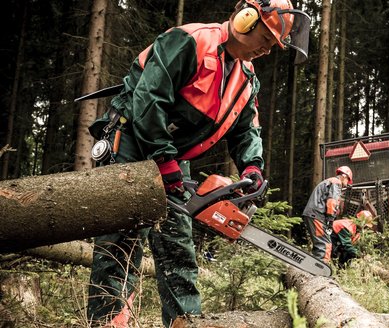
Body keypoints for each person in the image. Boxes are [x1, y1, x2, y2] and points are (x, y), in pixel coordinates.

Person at [85, 1, 310, 327]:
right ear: (246, 19)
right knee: (121, 244)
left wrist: (252, 167)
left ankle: (184, 321)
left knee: (178, 252)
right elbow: (149, 97)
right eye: (266, 38)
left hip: (173, 158)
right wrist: (162, 159)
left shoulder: (246, 80)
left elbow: (248, 130)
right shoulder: (190, 40)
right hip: (133, 142)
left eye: (274, 45)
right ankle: (108, 322)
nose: (267, 49)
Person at [302, 166, 353, 263]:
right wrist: (330, 219)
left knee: (319, 244)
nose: (346, 184)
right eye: (348, 180)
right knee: (325, 244)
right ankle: (321, 271)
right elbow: (332, 202)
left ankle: (314, 267)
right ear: (344, 176)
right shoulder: (336, 183)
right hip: (317, 215)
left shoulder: (329, 181)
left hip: (313, 214)